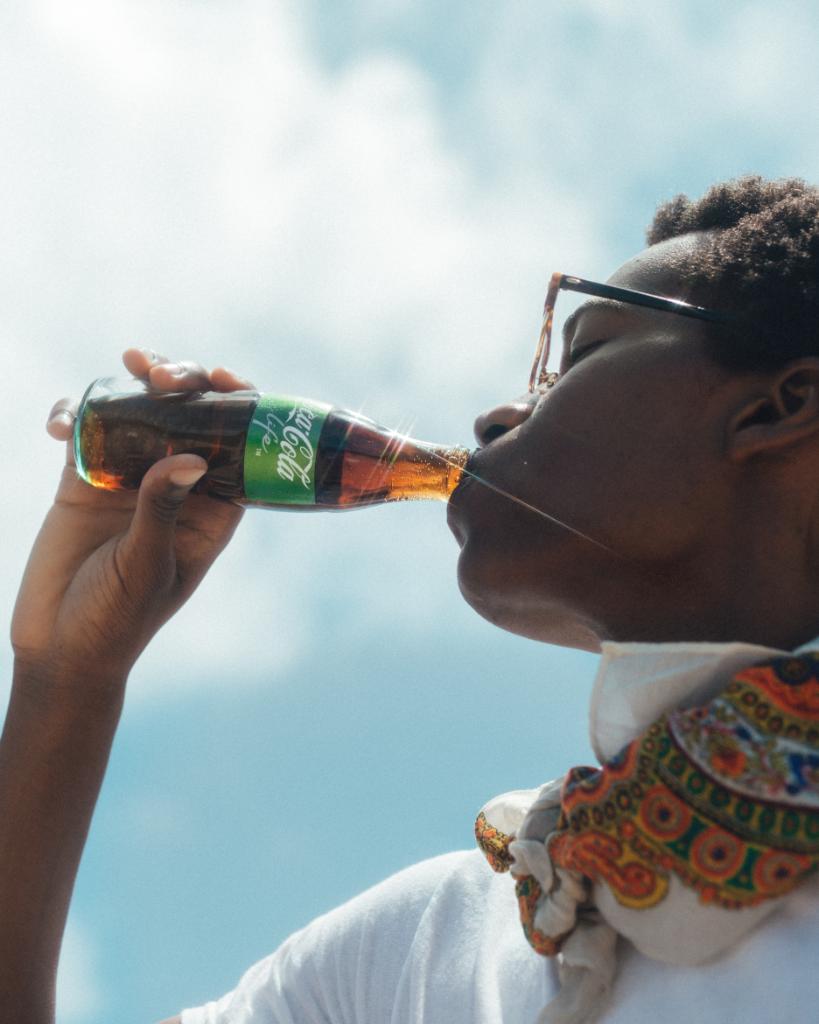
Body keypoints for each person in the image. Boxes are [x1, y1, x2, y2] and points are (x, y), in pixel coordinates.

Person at [4, 174, 819, 1024]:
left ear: (780, 405)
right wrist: (66, 682)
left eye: (578, 356)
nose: (497, 415)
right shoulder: (423, 950)